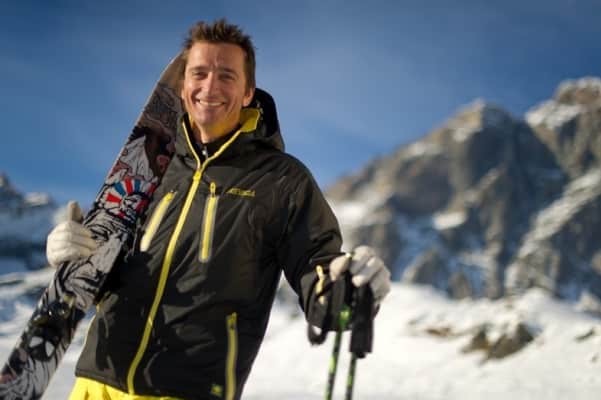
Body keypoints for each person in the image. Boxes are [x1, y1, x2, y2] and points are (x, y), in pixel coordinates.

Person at [46, 19, 391, 400]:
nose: (210, 87)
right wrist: (73, 252)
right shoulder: (147, 165)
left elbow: (317, 271)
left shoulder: (282, 181)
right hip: (96, 383)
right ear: (182, 87)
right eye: (199, 73)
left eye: (226, 75)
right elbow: (103, 274)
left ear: (247, 93)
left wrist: (346, 289)